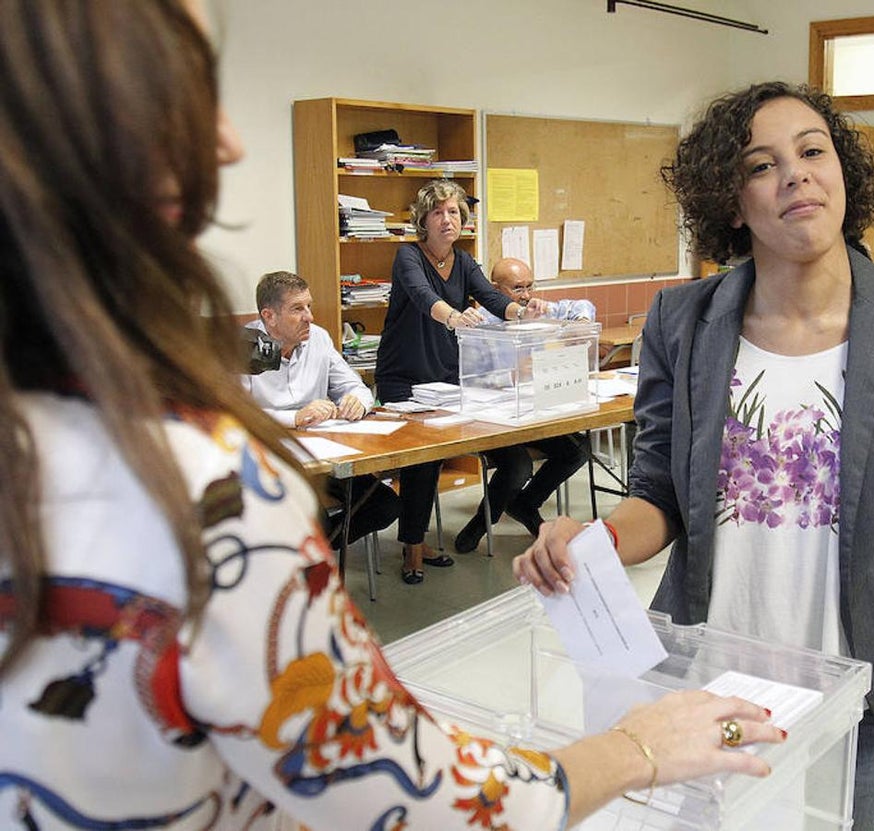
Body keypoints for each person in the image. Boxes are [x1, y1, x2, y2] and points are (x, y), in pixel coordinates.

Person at [0, 3, 787, 829]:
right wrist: (640, 746)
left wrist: (518, 315)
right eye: (187, 89)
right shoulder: (198, 488)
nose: (228, 141)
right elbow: (418, 796)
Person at [516, 81, 874, 830]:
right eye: (762, 165)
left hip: (856, 697)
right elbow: (656, 492)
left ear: (845, 172)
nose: (795, 173)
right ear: (731, 203)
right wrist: (589, 539)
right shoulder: (683, 320)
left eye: (813, 151)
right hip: (706, 687)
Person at [373, 179, 537, 583]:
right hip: (404, 379)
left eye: (454, 213)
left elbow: (491, 297)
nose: (447, 220)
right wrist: (453, 316)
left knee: (507, 456)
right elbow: (421, 295)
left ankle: (420, 538)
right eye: (438, 213)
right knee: (422, 461)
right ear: (423, 221)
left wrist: (520, 311)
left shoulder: (464, 261)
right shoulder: (408, 256)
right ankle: (413, 546)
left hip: (447, 377)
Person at [242, 270, 400, 544]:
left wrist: (357, 402)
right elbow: (238, 414)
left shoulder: (318, 338)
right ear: (269, 316)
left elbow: (356, 387)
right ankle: (312, 554)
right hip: (272, 456)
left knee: (385, 505)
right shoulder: (242, 347)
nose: (309, 317)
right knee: (311, 518)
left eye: (309, 306)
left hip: (322, 455)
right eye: (297, 309)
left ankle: (321, 549)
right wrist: (296, 417)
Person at [453, 258, 594, 552]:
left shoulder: (533, 311)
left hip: (532, 412)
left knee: (578, 450)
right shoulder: (479, 323)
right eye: (517, 288)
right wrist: (514, 373)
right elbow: (473, 378)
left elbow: (582, 305)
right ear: (494, 289)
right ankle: (482, 522)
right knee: (518, 465)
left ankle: (526, 503)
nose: (526, 295)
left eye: (530, 286)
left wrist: (580, 324)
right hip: (493, 418)